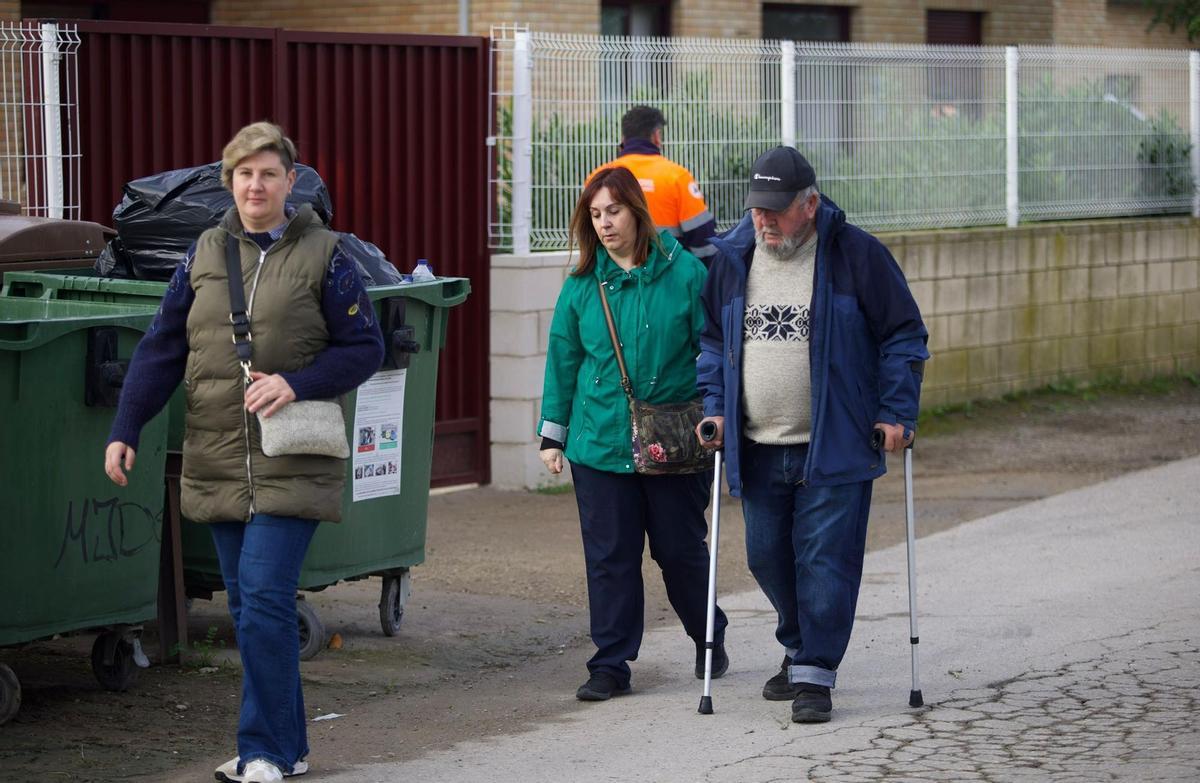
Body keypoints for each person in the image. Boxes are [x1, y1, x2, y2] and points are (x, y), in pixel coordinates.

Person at [103, 122, 384, 783]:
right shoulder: (204, 252)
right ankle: (289, 746)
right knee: (248, 605)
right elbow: (161, 347)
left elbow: (366, 346)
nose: (255, 185)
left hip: (294, 458)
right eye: (244, 174)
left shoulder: (329, 255)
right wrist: (126, 427)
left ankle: (261, 749)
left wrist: (296, 382)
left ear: (291, 182)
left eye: (268, 173)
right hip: (221, 457)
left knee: (261, 597)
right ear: (230, 182)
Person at [694, 146, 928, 724]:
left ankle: (815, 675)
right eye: (756, 209)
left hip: (837, 442)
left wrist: (896, 411)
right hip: (756, 444)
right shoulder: (731, 258)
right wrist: (717, 407)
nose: (764, 220)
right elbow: (711, 344)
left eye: (776, 210)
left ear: (810, 204)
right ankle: (801, 649)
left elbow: (904, 335)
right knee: (766, 557)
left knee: (825, 562)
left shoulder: (856, 255)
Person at [538, 165, 728, 701]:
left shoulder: (687, 274)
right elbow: (563, 361)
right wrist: (553, 436)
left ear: (637, 213)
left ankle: (708, 633)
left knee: (679, 550)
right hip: (599, 441)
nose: (604, 223)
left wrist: (718, 417)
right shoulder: (580, 286)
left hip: (673, 438)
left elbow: (712, 350)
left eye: (613, 211)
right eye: (595, 214)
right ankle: (611, 664)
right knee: (610, 556)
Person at [586, 105, 718, 264]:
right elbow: (701, 237)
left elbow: (588, 235)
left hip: (614, 278)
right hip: (668, 276)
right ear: (656, 136)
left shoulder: (597, 178)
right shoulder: (676, 176)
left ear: (623, 139)